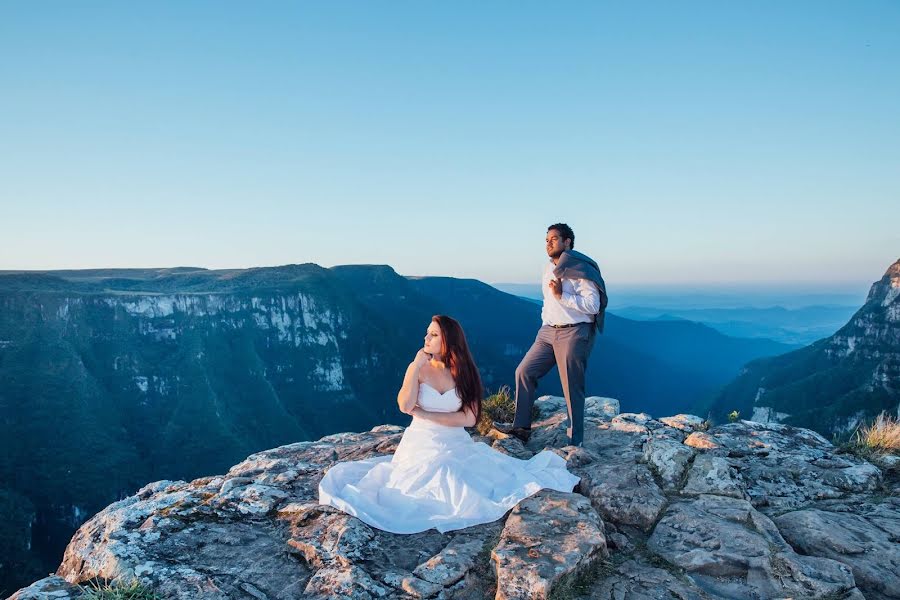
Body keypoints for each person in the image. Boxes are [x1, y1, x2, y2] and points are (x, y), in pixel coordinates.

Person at [318, 315, 579, 534]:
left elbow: (470, 418)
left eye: (433, 335)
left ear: (448, 341)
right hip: (421, 442)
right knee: (438, 474)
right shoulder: (419, 368)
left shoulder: (464, 372)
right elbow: (405, 406)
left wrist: (428, 415)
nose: (426, 339)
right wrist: (414, 367)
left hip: (455, 441)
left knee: (457, 476)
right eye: (426, 334)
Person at [499, 223, 607, 447]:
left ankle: (573, 443)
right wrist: (546, 319)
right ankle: (521, 428)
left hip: (574, 332)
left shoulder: (580, 268)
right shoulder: (547, 268)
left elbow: (593, 305)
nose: (548, 243)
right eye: (546, 239)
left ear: (567, 242)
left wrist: (561, 296)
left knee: (571, 387)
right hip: (548, 331)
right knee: (524, 372)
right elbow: (547, 301)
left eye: (554, 239)